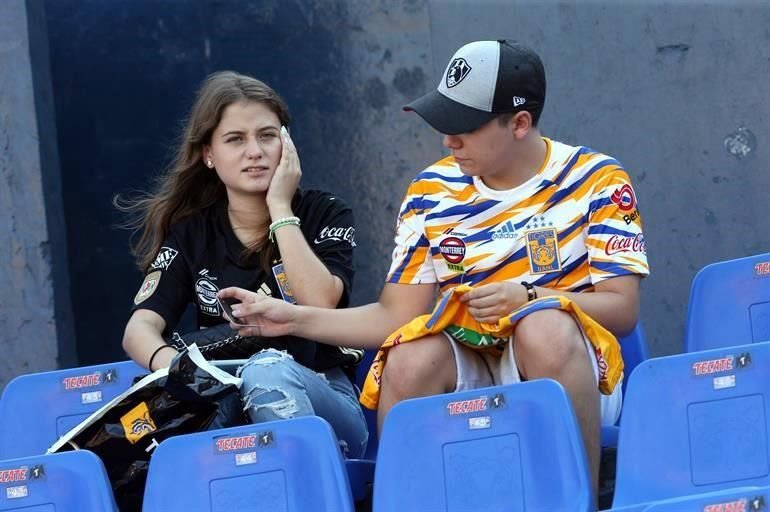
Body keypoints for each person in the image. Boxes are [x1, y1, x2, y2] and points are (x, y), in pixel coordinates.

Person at [218, 40, 649, 492]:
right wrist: (293, 320)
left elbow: (622, 311)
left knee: (541, 327)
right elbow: (395, 317)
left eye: (465, 126)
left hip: (577, 367)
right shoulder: (430, 190)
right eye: (444, 122)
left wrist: (530, 298)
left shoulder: (597, 178)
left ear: (520, 123)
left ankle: (575, 497)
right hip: (472, 362)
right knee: (409, 356)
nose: (448, 141)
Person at [119, 71, 367, 458]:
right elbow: (140, 328)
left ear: (287, 142)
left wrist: (281, 209)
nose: (255, 151)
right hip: (225, 404)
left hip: (326, 404)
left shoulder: (325, 211)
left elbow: (319, 301)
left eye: (267, 135)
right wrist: (177, 367)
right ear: (209, 154)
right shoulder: (192, 234)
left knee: (267, 370)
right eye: (236, 139)